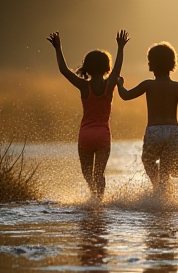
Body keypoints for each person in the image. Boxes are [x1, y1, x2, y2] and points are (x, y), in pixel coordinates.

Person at [47, 30, 129, 200]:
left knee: (87, 174)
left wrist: (58, 48)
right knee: (99, 174)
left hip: (85, 135)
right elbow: (119, 67)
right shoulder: (109, 84)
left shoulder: (84, 86)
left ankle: (93, 196)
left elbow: (64, 71)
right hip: (103, 136)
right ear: (107, 67)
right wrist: (121, 48)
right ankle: (99, 202)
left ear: (87, 67)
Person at [117, 41, 178, 192]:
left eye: (149, 61)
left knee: (148, 161)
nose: (148, 64)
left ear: (153, 65)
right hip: (173, 131)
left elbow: (125, 95)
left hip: (154, 131)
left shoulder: (148, 84)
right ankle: (163, 192)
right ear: (172, 64)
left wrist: (120, 84)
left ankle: (157, 189)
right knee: (166, 170)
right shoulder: (176, 86)